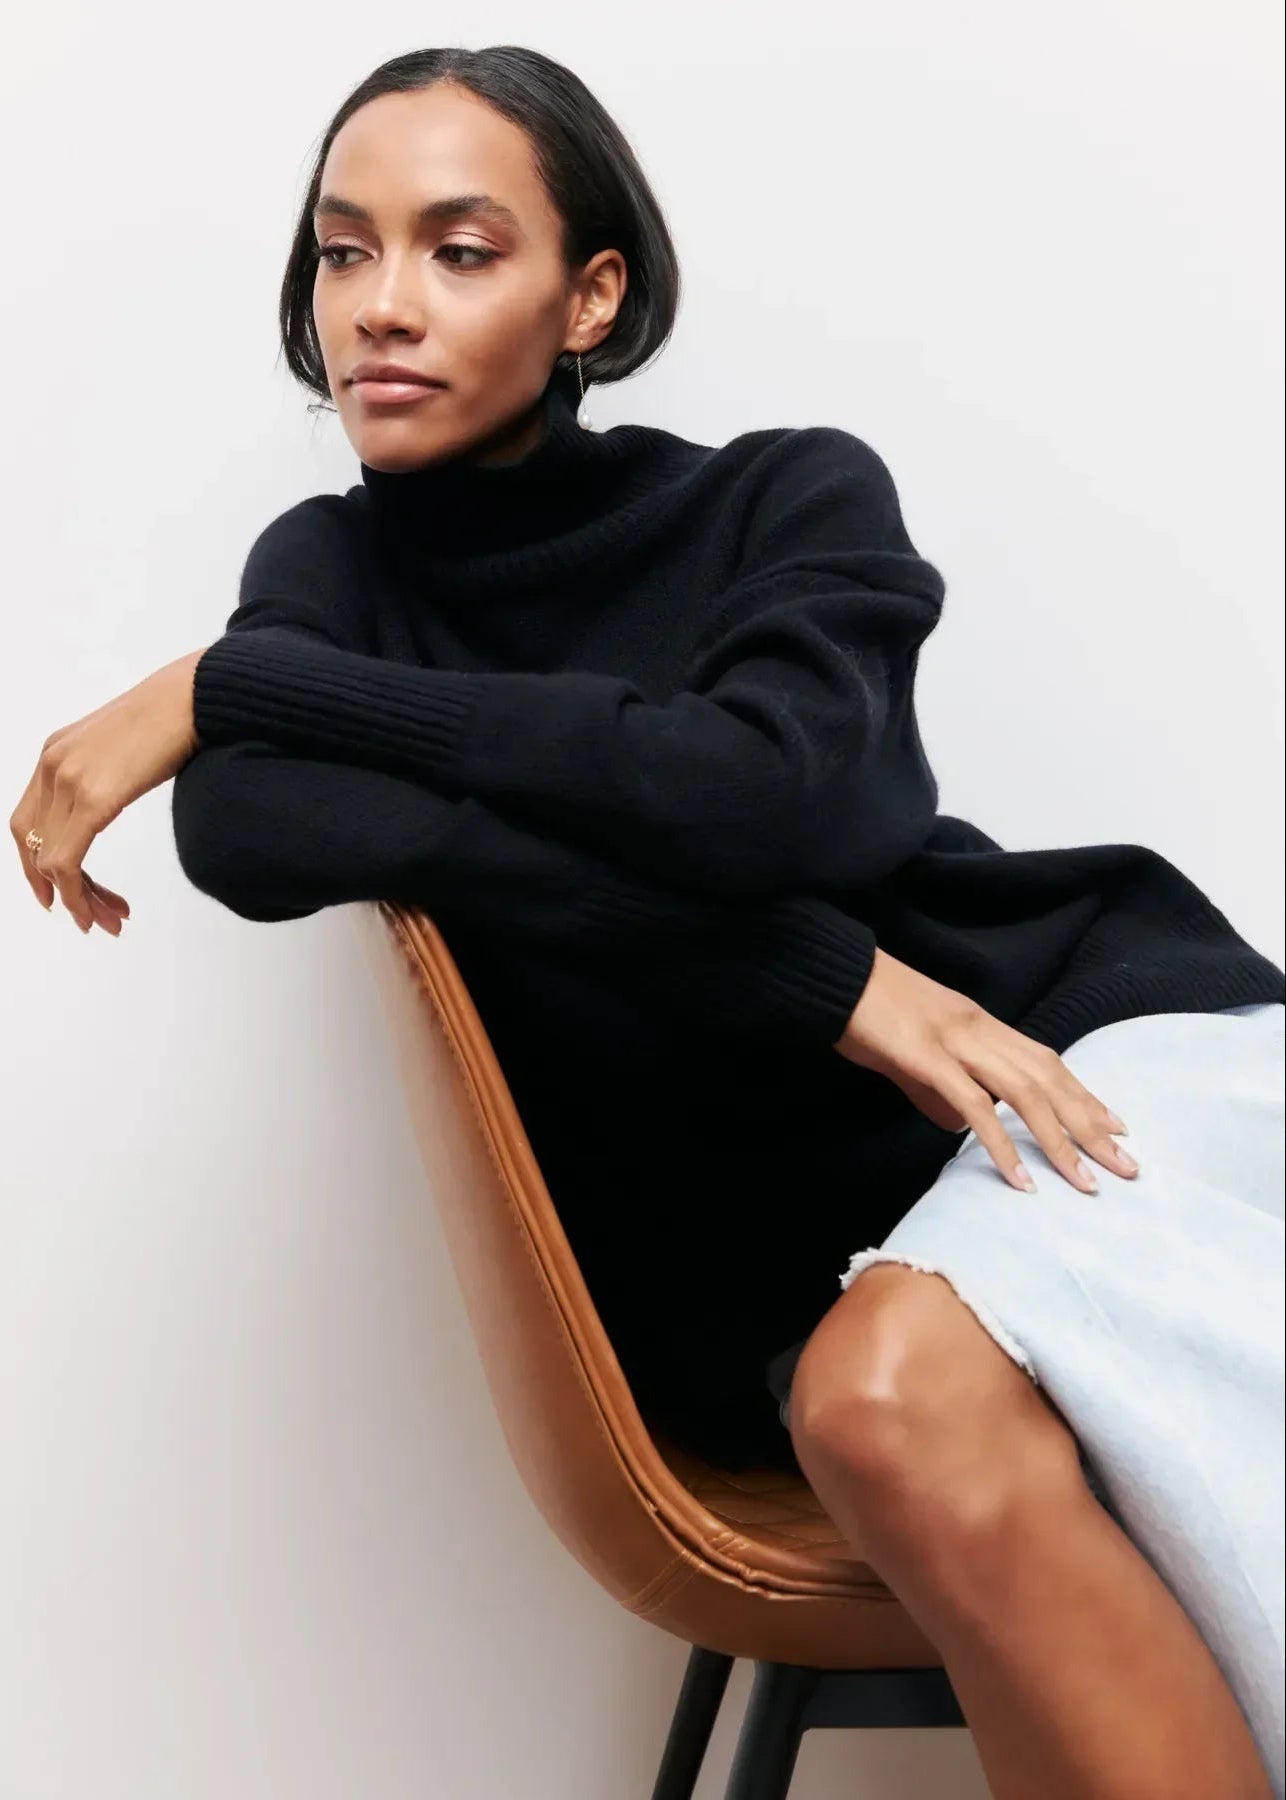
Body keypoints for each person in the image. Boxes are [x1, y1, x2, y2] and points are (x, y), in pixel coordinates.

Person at [12, 44, 1284, 1800]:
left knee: (887, 1396)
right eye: (342, 249)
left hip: (1064, 1065)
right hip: (782, 1249)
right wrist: (819, 980)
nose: (381, 305)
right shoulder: (330, 576)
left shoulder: (784, 497)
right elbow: (248, 829)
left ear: (590, 297)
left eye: (460, 250)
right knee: (879, 1399)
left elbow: (762, 795)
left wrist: (236, 686)